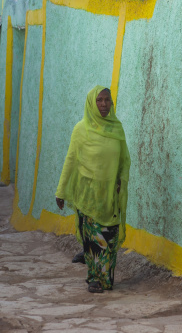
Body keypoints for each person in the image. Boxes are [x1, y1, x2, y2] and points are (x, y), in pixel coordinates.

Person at [55, 85, 130, 293]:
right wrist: (61, 191)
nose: (104, 104)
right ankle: (95, 279)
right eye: (99, 100)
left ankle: (106, 278)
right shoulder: (81, 129)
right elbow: (70, 160)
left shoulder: (117, 128)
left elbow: (124, 160)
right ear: (91, 103)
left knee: (110, 238)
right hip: (88, 195)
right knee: (95, 239)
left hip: (110, 196)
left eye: (107, 100)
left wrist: (120, 181)